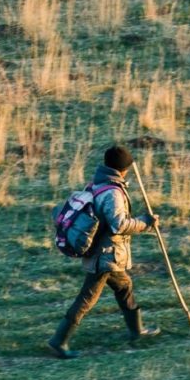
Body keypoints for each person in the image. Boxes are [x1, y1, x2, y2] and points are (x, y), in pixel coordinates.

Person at [47, 145, 160, 358]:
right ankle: (58, 341)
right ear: (123, 170)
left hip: (105, 253)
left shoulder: (97, 183)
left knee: (124, 286)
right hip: (106, 256)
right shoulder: (113, 193)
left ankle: (137, 331)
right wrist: (145, 223)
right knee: (87, 298)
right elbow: (119, 225)